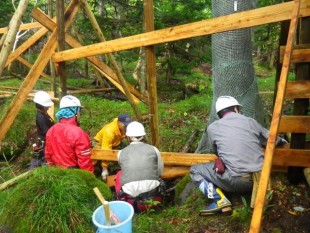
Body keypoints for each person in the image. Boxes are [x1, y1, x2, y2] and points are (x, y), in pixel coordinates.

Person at [190, 96, 288, 215]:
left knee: (195, 170)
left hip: (237, 181)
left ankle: (219, 200)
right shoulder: (250, 121)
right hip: (261, 179)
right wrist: (284, 142)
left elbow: (216, 151)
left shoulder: (213, 128)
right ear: (236, 109)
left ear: (219, 114)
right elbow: (272, 139)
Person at [114, 121, 164, 212]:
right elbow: (160, 172)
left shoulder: (121, 153)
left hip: (131, 203)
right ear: (143, 136)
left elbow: (126, 171)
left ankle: (121, 202)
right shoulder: (154, 150)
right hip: (153, 199)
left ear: (128, 137)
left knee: (119, 174)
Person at [45, 95, 94, 173]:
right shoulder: (78, 133)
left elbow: (48, 154)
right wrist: (90, 178)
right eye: (79, 111)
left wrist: (52, 171)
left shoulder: (51, 130)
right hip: (73, 174)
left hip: (56, 173)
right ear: (75, 112)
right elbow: (84, 161)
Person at [94, 113, 132, 180]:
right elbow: (106, 151)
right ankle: (98, 173)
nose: (127, 127)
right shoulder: (109, 131)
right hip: (101, 143)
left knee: (125, 152)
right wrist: (104, 168)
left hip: (115, 143)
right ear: (119, 123)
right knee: (96, 159)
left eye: (128, 125)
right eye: (125, 125)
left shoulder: (124, 128)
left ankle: (119, 169)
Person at [29, 91, 54, 169]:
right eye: (47, 106)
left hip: (44, 141)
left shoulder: (43, 114)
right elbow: (46, 131)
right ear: (42, 106)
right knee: (40, 159)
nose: (49, 107)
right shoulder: (41, 117)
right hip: (44, 143)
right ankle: (32, 171)